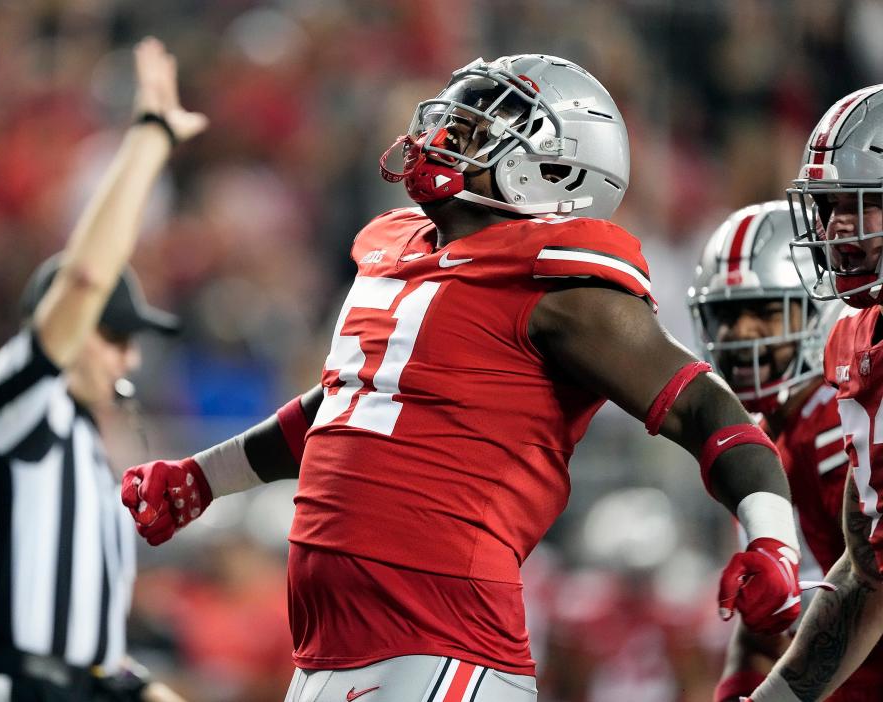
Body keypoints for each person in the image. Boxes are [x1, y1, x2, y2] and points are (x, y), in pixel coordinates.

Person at [123, 54, 802, 701]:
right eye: (452, 120)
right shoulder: (394, 249)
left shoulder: (564, 286)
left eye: (477, 131)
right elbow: (343, 407)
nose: (442, 138)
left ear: (555, 171)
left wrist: (772, 540)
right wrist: (202, 479)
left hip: (441, 639)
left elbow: (708, 411)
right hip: (333, 644)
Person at [0, 38, 206, 702]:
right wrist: (150, 139)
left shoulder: (84, 448)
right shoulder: (18, 397)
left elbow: (85, 644)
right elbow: (87, 276)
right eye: (115, 336)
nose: (129, 358)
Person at [688, 200, 883, 701]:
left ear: (815, 312)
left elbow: (869, 584)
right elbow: (766, 626)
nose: (738, 335)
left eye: (764, 311)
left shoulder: (834, 420)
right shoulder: (758, 439)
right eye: (726, 315)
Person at [746, 85, 883, 702]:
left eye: (861, 205)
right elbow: (868, 572)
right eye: (829, 206)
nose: (835, 228)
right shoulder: (854, 343)